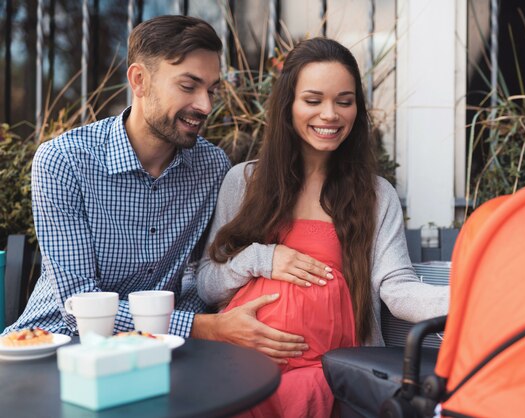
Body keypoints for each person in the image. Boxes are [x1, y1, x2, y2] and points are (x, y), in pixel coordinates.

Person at [2, 16, 309, 356]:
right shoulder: (64, 161)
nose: (206, 105)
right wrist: (204, 328)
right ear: (139, 80)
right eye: (188, 86)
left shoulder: (211, 168)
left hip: (165, 352)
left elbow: (199, 275)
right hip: (54, 347)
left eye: (212, 89)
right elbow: (78, 305)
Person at [196, 37, 449, 417]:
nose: (329, 114)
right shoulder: (243, 182)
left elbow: (397, 289)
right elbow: (207, 283)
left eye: (343, 101)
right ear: (288, 106)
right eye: (313, 101)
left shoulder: (376, 196)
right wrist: (263, 258)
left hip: (323, 374)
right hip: (243, 368)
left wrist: (466, 298)